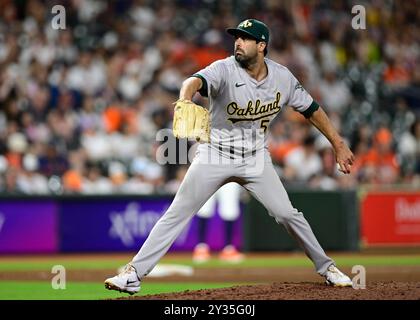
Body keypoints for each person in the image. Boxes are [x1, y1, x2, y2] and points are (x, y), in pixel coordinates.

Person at [104, 19, 355, 295]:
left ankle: (328, 268)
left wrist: (338, 144)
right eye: (236, 37)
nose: (238, 42)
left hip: (255, 158)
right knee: (177, 212)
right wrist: (185, 98)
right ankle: (134, 274)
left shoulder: (282, 77)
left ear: (262, 46)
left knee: (287, 214)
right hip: (215, 153)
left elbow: (312, 109)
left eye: (245, 38)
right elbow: (193, 81)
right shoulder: (223, 69)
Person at [193, 182, 244, 263]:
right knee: (204, 209)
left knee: (230, 210)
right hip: (207, 172)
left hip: (230, 173)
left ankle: (228, 250)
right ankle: (201, 249)